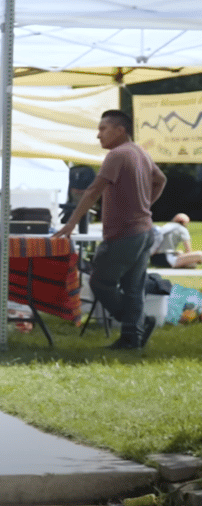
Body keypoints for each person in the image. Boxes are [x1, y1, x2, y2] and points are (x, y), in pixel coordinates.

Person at [55, 110, 167, 348]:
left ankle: (135, 323)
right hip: (144, 230)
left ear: (120, 130)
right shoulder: (141, 152)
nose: (99, 135)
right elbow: (161, 180)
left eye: (103, 129)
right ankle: (131, 339)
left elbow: (93, 191)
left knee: (100, 283)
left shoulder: (117, 155)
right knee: (133, 288)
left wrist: (71, 223)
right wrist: (144, 204)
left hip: (124, 234)